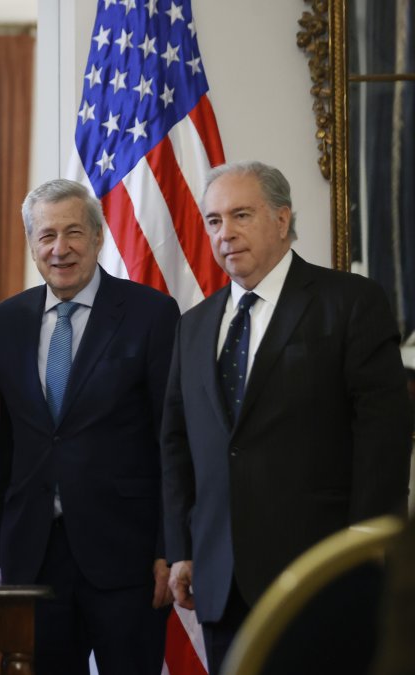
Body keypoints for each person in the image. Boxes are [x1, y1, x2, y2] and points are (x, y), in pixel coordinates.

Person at [161, 160, 413, 674]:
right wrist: (184, 549)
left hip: (321, 574)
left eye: (241, 215)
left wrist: (364, 549)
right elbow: (177, 442)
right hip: (221, 581)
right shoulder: (193, 326)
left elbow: (383, 436)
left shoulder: (348, 303)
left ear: (282, 219)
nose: (225, 233)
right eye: (213, 221)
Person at [0, 178, 178, 675]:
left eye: (73, 233)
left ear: (98, 237)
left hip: (127, 556)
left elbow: (170, 440)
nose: (60, 248)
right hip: (34, 555)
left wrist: (168, 550)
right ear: (31, 244)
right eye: (46, 235)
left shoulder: (150, 314)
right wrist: (0, 550)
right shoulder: (3, 322)